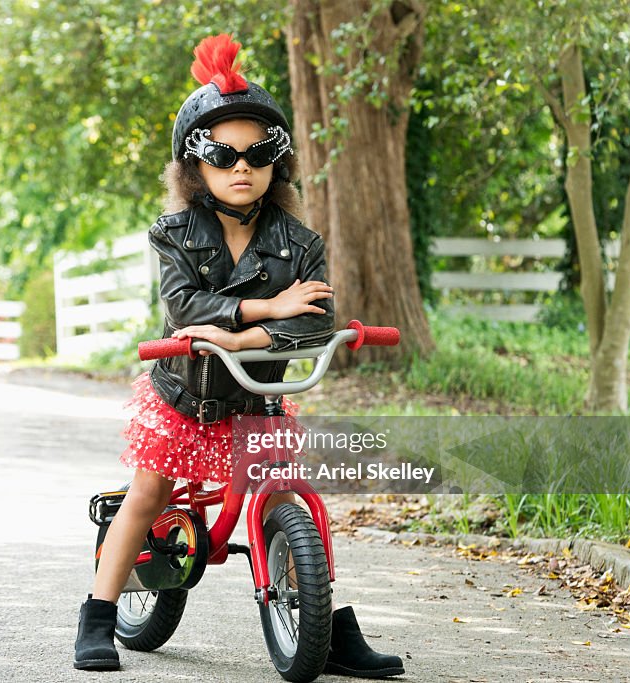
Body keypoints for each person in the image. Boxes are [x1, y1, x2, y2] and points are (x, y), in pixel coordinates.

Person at [73, 33, 405, 679]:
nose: (241, 167)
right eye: (223, 155)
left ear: (275, 164)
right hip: (183, 393)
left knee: (299, 494)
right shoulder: (173, 233)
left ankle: (327, 626)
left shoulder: (298, 241)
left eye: (257, 155)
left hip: (255, 394)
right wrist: (268, 309)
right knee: (149, 492)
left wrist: (238, 337)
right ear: (195, 167)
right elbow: (184, 310)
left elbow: (316, 324)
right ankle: (98, 614)